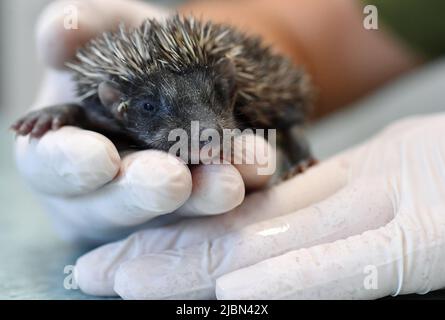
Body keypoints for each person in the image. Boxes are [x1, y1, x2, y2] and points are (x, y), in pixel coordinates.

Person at [15, 0, 445, 299]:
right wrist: (63, 115)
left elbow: (288, 95)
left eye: (211, 102)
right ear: (114, 105)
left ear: (227, 88)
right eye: (149, 108)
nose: (205, 132)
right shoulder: (100, 104)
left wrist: (292, 148)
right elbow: (300, 31)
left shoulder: (242, 90)